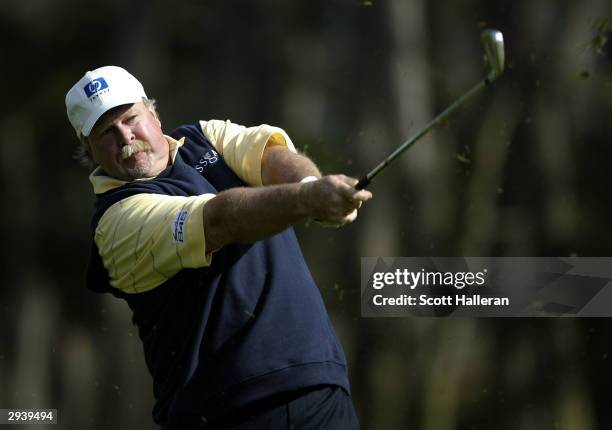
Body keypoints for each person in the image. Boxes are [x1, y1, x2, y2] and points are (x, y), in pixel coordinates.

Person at [66, 65, 372, 429]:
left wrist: (310, 183)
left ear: (153, 113)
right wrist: (308, 199)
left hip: (317, 387)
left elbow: (267, 156)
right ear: (89, 150)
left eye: (130, 118)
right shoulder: (116, 222)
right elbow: (218, 220)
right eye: (105, 132)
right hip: (224, 414)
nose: (125, 136)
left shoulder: (205, 138)